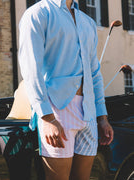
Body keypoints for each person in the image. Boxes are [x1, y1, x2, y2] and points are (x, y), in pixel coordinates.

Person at [18, 0, 114, 179]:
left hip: (89, 113)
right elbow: (31, 70)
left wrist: (102, 117)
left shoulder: (88, 22)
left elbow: (94, 73)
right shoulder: (37, 14)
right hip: (57, 112)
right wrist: (46, 117)